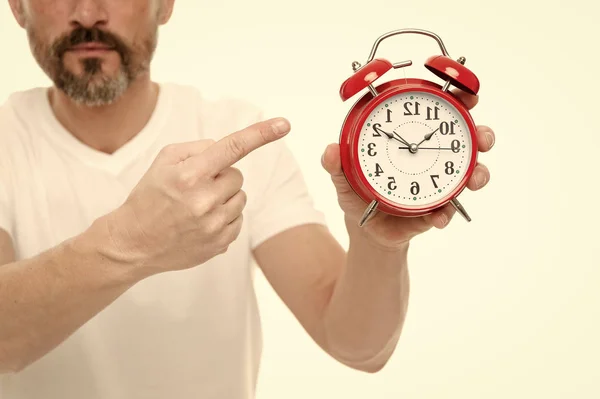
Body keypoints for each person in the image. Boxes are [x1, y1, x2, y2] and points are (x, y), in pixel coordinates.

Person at [0, 1, 495, 398]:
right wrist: (134, 242)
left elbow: (358, 347)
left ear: (165, 4)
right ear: (16, 8)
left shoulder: (235, 134)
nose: (88, 13)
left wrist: (379, 245)